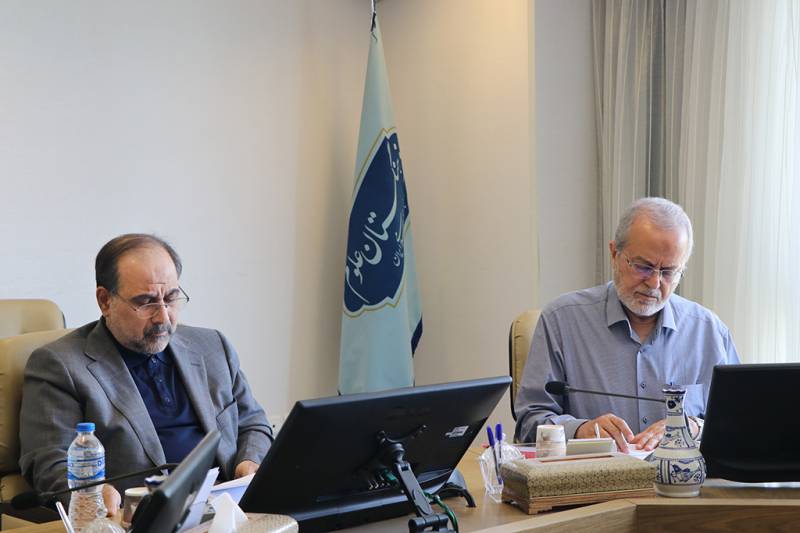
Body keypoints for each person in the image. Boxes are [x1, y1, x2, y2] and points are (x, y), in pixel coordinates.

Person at [19, 234, 272, 516]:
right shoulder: (60, 365)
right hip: (141, 518)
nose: (163, 317)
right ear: (105, 301)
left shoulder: (212, 347)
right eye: (146, 302)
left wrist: (250, 462)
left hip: (229, 510)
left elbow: (252, 423)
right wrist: (93, 494)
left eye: (171, 298)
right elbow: (49, 461)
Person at [514, 197, 739, 453]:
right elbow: (529, 421)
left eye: (668, 272)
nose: (654, 283)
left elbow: (740, 423)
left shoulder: (709, 331)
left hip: (682, 475)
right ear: (614, 254)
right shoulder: (562, 320)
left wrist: (694, 427)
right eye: (643, 267)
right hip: (595, 475)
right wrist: (580, 429)